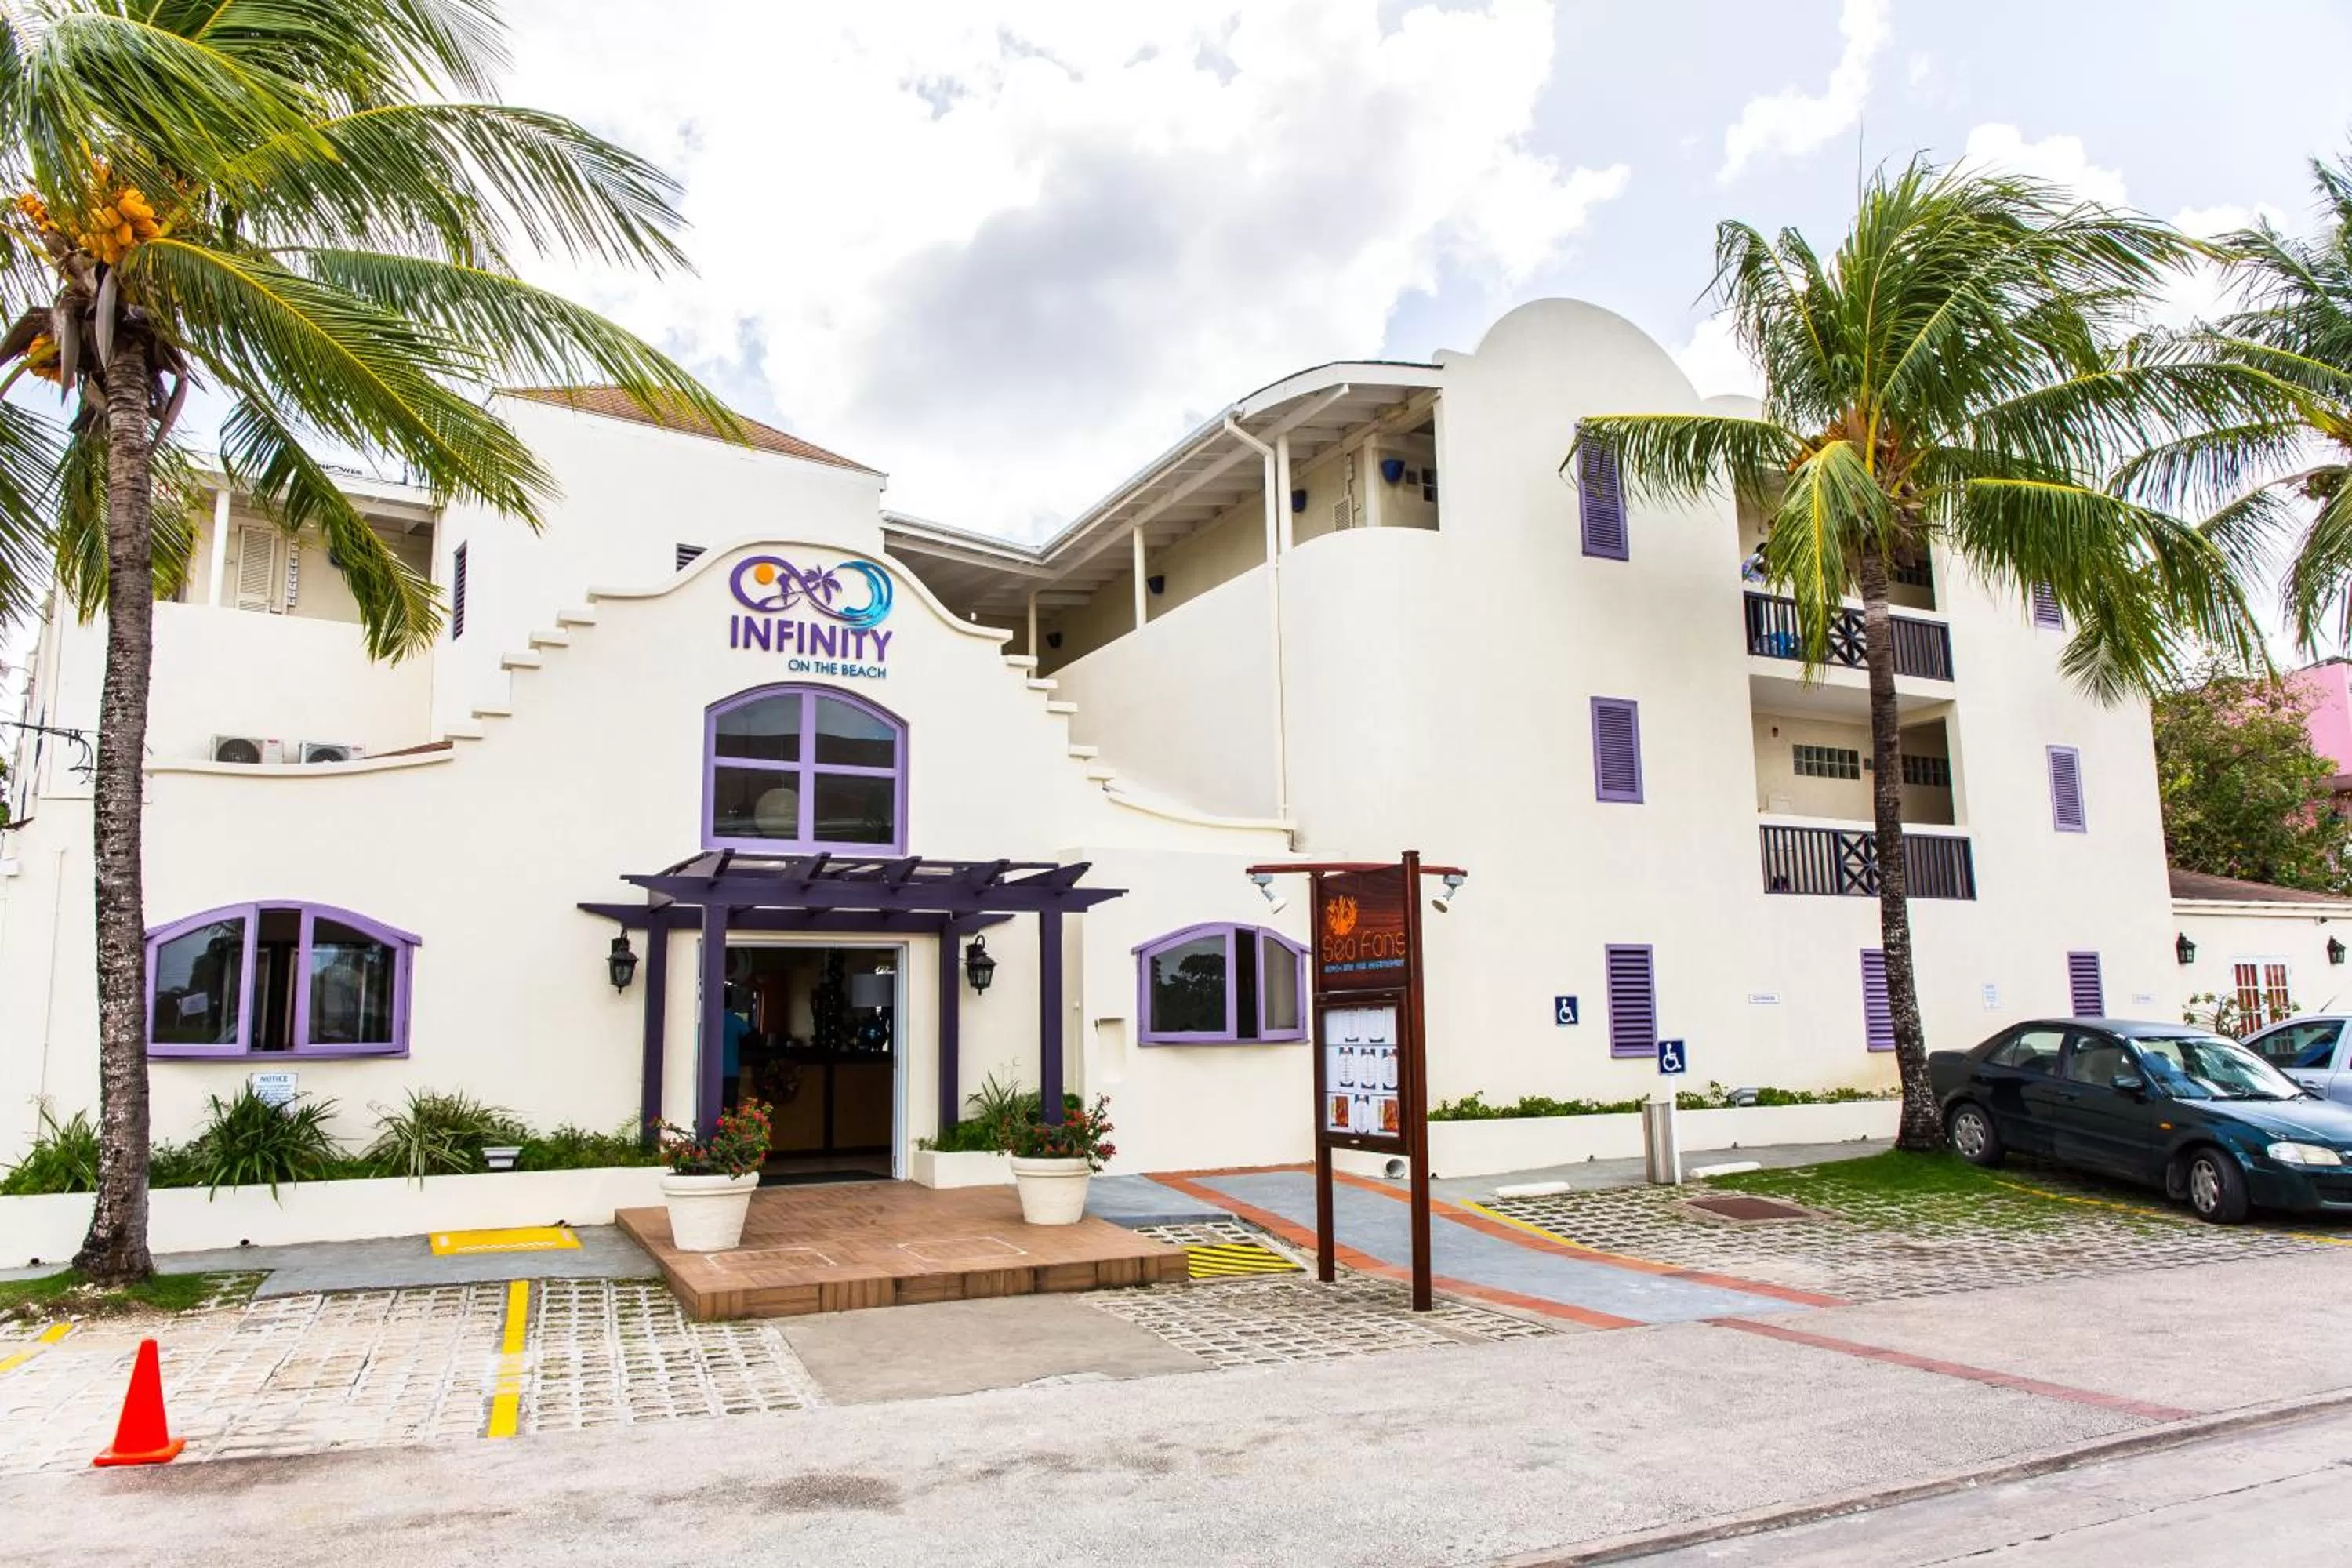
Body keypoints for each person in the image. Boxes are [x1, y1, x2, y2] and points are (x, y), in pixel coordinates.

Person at [722, 1006, 751, 1109]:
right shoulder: (736, 1020)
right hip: (731, 1069)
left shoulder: (709, 1019)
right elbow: (750, 1038)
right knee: (730, 1109)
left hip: (710, 1071)